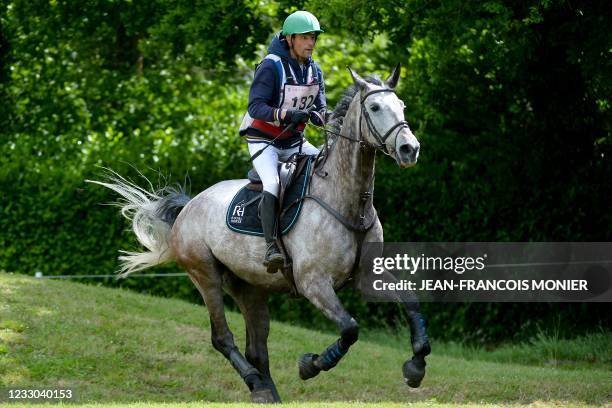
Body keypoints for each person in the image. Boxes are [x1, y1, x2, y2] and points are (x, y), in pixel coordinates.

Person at [239, 10, 327, 271]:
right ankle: (271, 246)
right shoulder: (271, 66)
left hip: (293, 141)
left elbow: (321, 108)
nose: (310, 43)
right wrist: (287, 114)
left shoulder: (314, 70)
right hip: (264, 140)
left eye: (313, 38)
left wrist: (322, 117)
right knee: (273, 183)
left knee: (325, 167)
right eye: (304, 38)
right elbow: (256, 107)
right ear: (289, 39)